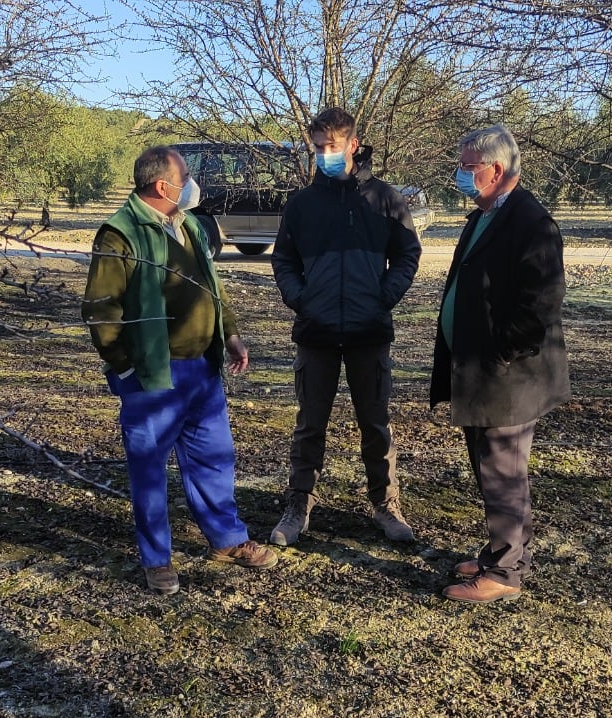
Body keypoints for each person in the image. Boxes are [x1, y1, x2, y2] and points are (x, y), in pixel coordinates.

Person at [82, 146, 277, 594]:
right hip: (153, 376)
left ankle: (227, 540)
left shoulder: (186, 224)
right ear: (162, 185)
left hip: (202, 371)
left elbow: (211, 285)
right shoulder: (120, 234)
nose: (192, 183)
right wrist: (125, 368)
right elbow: (99, 309)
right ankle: (157, 559)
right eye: (185, 176)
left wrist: (229, 333)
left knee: (213, 461)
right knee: (149, 471)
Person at [269, 107, 423, 545]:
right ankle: (299, 502)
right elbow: (284, 259)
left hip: (367, 332)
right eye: (317, 147)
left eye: (331, 147)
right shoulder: (301, 204)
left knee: (375, 422)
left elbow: (408, 255)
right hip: (315, 333)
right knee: (309, 424)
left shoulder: (386, 199)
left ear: (353, 145)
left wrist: (382, 297)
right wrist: (300, 300)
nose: (323, 155)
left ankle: (385, 503)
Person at [430, 125, 569, 603]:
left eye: (467, 168)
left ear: (495, 170)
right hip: (481, 371)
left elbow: (541, 304)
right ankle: (505, 554)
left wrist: (501, 354)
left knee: (502, 471)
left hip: (508, 376)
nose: (460, 176)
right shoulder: (484, 215)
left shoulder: (531, 222)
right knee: (494, 468)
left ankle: (504, 574)